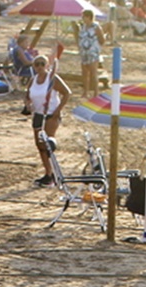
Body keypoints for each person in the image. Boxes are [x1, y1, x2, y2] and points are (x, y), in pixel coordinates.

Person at [28, 54, 72, 187]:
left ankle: (54, 173)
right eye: (37, 64)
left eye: (42, 64)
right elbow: (27, 95)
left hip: (50, 114)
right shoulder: (33, 80)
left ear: (47, 65)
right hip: (38, 114)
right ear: (34, 67)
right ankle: (48, 174)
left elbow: (67, 93)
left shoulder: (52, 79)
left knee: (48, 144)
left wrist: (57, 110)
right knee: (40, 145)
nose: (40, 66)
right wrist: (27, 104)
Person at [76, 9, 105, 98]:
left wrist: (95, 47)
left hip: (92, 52)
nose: (83, 18)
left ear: (89, 17)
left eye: (84, 16)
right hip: (84, 52)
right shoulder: (83, 27)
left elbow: (102, 39)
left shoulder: (96, 26)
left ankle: (96, 92)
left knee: (93, 72)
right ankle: (85, 91)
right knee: (84, 73)